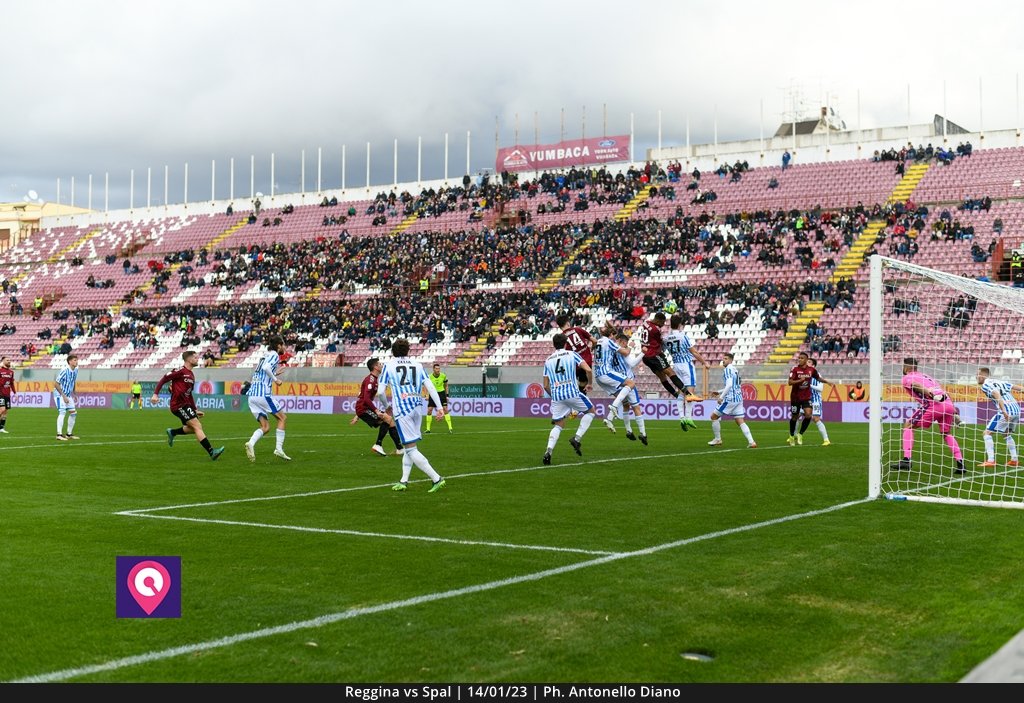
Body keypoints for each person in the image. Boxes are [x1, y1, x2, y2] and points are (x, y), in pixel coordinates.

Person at [380, 338, 446, 493]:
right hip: (417, 408)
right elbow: (429, 386)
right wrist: (439, 407)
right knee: (410, 445)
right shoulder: (418, 365)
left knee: (410, 449)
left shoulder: (388, 366)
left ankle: (437, 478)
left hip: (402, 410)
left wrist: (386, 407)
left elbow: (380, 392)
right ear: (408, 350)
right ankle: (403, 481)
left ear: (392, 352)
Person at [890, 357, 964, 474]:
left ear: (908, 367)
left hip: (933, 404)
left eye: (903, 366)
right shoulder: (927, 377)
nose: (902, 368)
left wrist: (931, 395)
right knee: (946, 434)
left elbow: (915, 385)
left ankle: (906, 460)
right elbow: (944, 392)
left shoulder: (907, 377)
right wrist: (955, 414)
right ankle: (961, 464)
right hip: (948, 404)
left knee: (908, 425)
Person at [152, 350, 225, 461]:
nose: (197, 359)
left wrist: (195, 409)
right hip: (178, 405)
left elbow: (189, 394)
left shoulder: (191, 375)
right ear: (189, 359)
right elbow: (164, 378)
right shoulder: (180, 371)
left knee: (193, 428)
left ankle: (172, 432)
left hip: (186, 405)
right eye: (195, 357)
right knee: (197, 427)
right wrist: (155, 394)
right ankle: (212, 452)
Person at [542, 332, 597, 465]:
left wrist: (554, 395)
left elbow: (545, 385)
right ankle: (576, 439)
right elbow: (588, 370)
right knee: (591, 412)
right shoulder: (572, 354)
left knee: (558, 425)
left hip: (557, 396)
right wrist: (589, 384)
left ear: (554, 345)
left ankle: (548, 451)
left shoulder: (548, 360)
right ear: (566, 343)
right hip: (572, 393)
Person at [592, 323, 647, 444]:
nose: (626, 344)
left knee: (626, 405)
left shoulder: (602, 343)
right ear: (622, 342)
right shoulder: (617, 347)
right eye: (625, 342)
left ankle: (617, 423)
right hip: (619, 377)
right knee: (635, 405)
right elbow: (631, 361)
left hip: (605, 376)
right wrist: (641, 352)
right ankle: (643, 433)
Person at [635, 312, 689, 424]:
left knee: (662, 377)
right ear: (659, 320)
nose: (663, 325)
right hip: (654, 355)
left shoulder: (646, 323)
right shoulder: (656, 330)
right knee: (670, 372)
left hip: (645, 357)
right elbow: (662, 342)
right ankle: (687, 393)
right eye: (663, 323)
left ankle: (676, 395)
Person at [243, 335, 291, 462]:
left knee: (266, 427)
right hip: (263, 394)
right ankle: (279, 449)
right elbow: (266, 368)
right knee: (282, 418)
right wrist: (276, 380)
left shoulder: (265, 355)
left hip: (252, 395)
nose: (285, 347)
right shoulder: (275, 354)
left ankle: (251, 443)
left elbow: (262, 371)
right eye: (284, 344)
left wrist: (274, 373)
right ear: (279, 345)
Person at [663, 313, 710, 431]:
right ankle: (688, 417)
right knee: (690, 392)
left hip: (676, 366)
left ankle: (681, 417)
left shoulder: (666, 338)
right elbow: (694, 352)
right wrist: (704, 362)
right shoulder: (683, 336)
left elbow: (662, 350)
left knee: (680, 392)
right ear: (680, 324)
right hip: (686, 365)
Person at [349, 357, 404, 456]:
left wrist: (357, 416)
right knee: (387, 419)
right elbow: (365, 399)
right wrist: (376, 410)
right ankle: (378, 444)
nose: (381, 365)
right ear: (375, 367)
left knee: (390, 422)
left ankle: (400, 449)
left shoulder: (374, 379)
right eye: (379, 364)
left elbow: (364, 398)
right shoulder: (370, 380)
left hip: (364, 408)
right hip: (364, 409)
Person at [975, 367, 1022, 468]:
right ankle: (1014, 460)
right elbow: (1018, 388)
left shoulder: (985, 385)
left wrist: (1004, 411)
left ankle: (991, 460)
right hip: (1016, 410)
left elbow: (996, 394)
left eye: (978, 374)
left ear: (983, 375)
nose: (976, 377)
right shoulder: (998, 381)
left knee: (987, 433)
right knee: (1006, 434)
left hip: (1006, 411)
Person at [707, 352, 757, 448]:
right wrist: (719, 391)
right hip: (738, 398)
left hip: (730, 399)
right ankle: (752, 442)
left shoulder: (728, 369)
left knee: (713, 417)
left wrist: (721, 397)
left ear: (730, 360)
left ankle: (717, 439)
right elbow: (734, 385)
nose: (723, 360)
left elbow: (729, 385)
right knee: (740, 420)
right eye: (723, 358)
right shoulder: (735, 370)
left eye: (725, 359)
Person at [786, 351, 832, 446]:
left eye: (802, 358)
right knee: (795, 416)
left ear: (806, 360)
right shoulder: (794, 369)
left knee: (810, 416)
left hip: (809, 398)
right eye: (799, 358)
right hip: (795, 397)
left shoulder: (812, 371)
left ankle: (801, 434)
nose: (799, 359)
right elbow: (790, 382)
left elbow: (818, 380)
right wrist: (800, 380)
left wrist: (827, 382)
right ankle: (792, 436)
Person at [557, 313, 595, 394]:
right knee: (583, 383)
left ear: (560, 327)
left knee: (570, 383)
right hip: (586, 362)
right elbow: (594, 341)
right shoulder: (578, 329)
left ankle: (572, 398)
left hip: (573, 364)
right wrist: (591, 348)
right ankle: (581, 399)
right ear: (568, 323)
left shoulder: (561, 337)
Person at [54, 353, 80, 440]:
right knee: (62, 412)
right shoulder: (65, 370)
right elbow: (56, 383)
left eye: (77, 360)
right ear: (69, 362)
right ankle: (59, 435)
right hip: (59, 394)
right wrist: (63, 396)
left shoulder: (76, 370)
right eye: (74, 360)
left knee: (73, 413)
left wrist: (74, 393)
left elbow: (73, 381)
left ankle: (69, 434)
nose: (76, 362)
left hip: (68, 395)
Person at [808, 358, 834, 446]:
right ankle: (793, 436)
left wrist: (809, 385)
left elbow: (820, 388)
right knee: (797, 415)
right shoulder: (804, 374)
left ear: (813, 366)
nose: (807, 363)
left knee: (816, 419)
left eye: (809, 362)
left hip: (816, 400)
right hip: (806, 400)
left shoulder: (817, 375)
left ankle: (826, 440)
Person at [424, 363, 453, 434]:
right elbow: (425, 386)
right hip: (432, 393)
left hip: (441, 393)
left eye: (439, 368)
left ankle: (450, 428)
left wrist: (447, 395)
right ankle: (428, 429)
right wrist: (426, 395)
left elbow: (446, 386)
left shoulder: (443, 376)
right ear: (433, 369)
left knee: (445, 409)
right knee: (429, 410)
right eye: (436, 369)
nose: (438, 370)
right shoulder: (429, 377)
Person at [0, 355, 15, 433]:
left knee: (5, 411)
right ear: (3, 361)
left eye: (9, 360)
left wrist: (15, 393)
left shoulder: (11, 372)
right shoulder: (0, 370)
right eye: (7, 360)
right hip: (0, 394)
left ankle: (1, 428)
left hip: (7, 394)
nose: (9, 361)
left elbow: (11, 383)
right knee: (1, 409)